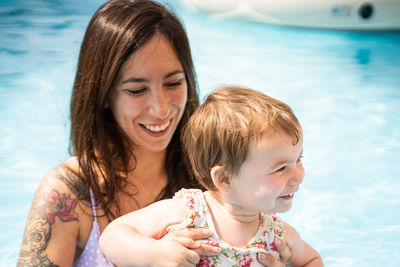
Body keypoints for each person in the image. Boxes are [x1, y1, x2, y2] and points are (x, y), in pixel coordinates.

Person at [17, 1, 288, 266]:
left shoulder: (217, 176)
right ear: (104, 94)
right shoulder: (70, 192)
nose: (160, 109)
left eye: (173, 83)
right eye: (136, 90)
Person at [99, 85, 324, 266]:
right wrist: (154, 254)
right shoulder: (189, 213)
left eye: (298, 159)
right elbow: (112, 236)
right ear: (224, 179)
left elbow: (313, 260)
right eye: (280, 168)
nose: (299, 176)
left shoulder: (278, 235)